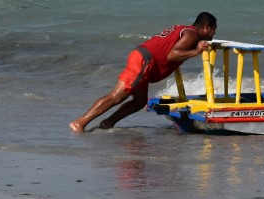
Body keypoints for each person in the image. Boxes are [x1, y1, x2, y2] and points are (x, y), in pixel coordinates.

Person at [70, 12, 218, 133]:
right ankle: (80, 122)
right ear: (206, 27)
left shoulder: (184, 29)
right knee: (117, 96)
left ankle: (108, 123)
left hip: (143, 58)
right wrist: (197, 51)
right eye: (213, 30)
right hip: (144, 60)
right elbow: (172, 55)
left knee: (139, 101)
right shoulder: (192, 35)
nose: (213, 34)